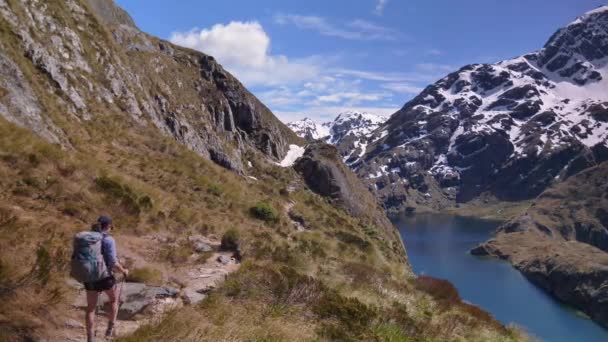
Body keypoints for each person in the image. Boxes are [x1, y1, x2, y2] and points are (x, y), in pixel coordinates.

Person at [84, 216, 129, 341]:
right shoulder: (108, 240)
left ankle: (90, 338)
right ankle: (110, 330)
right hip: (104, 276)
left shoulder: (86, 238)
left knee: (90, 308)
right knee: (114, 300)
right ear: (107, 226)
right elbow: (113, 262)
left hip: (89, 276)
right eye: (110, 227)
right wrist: (123, 271)